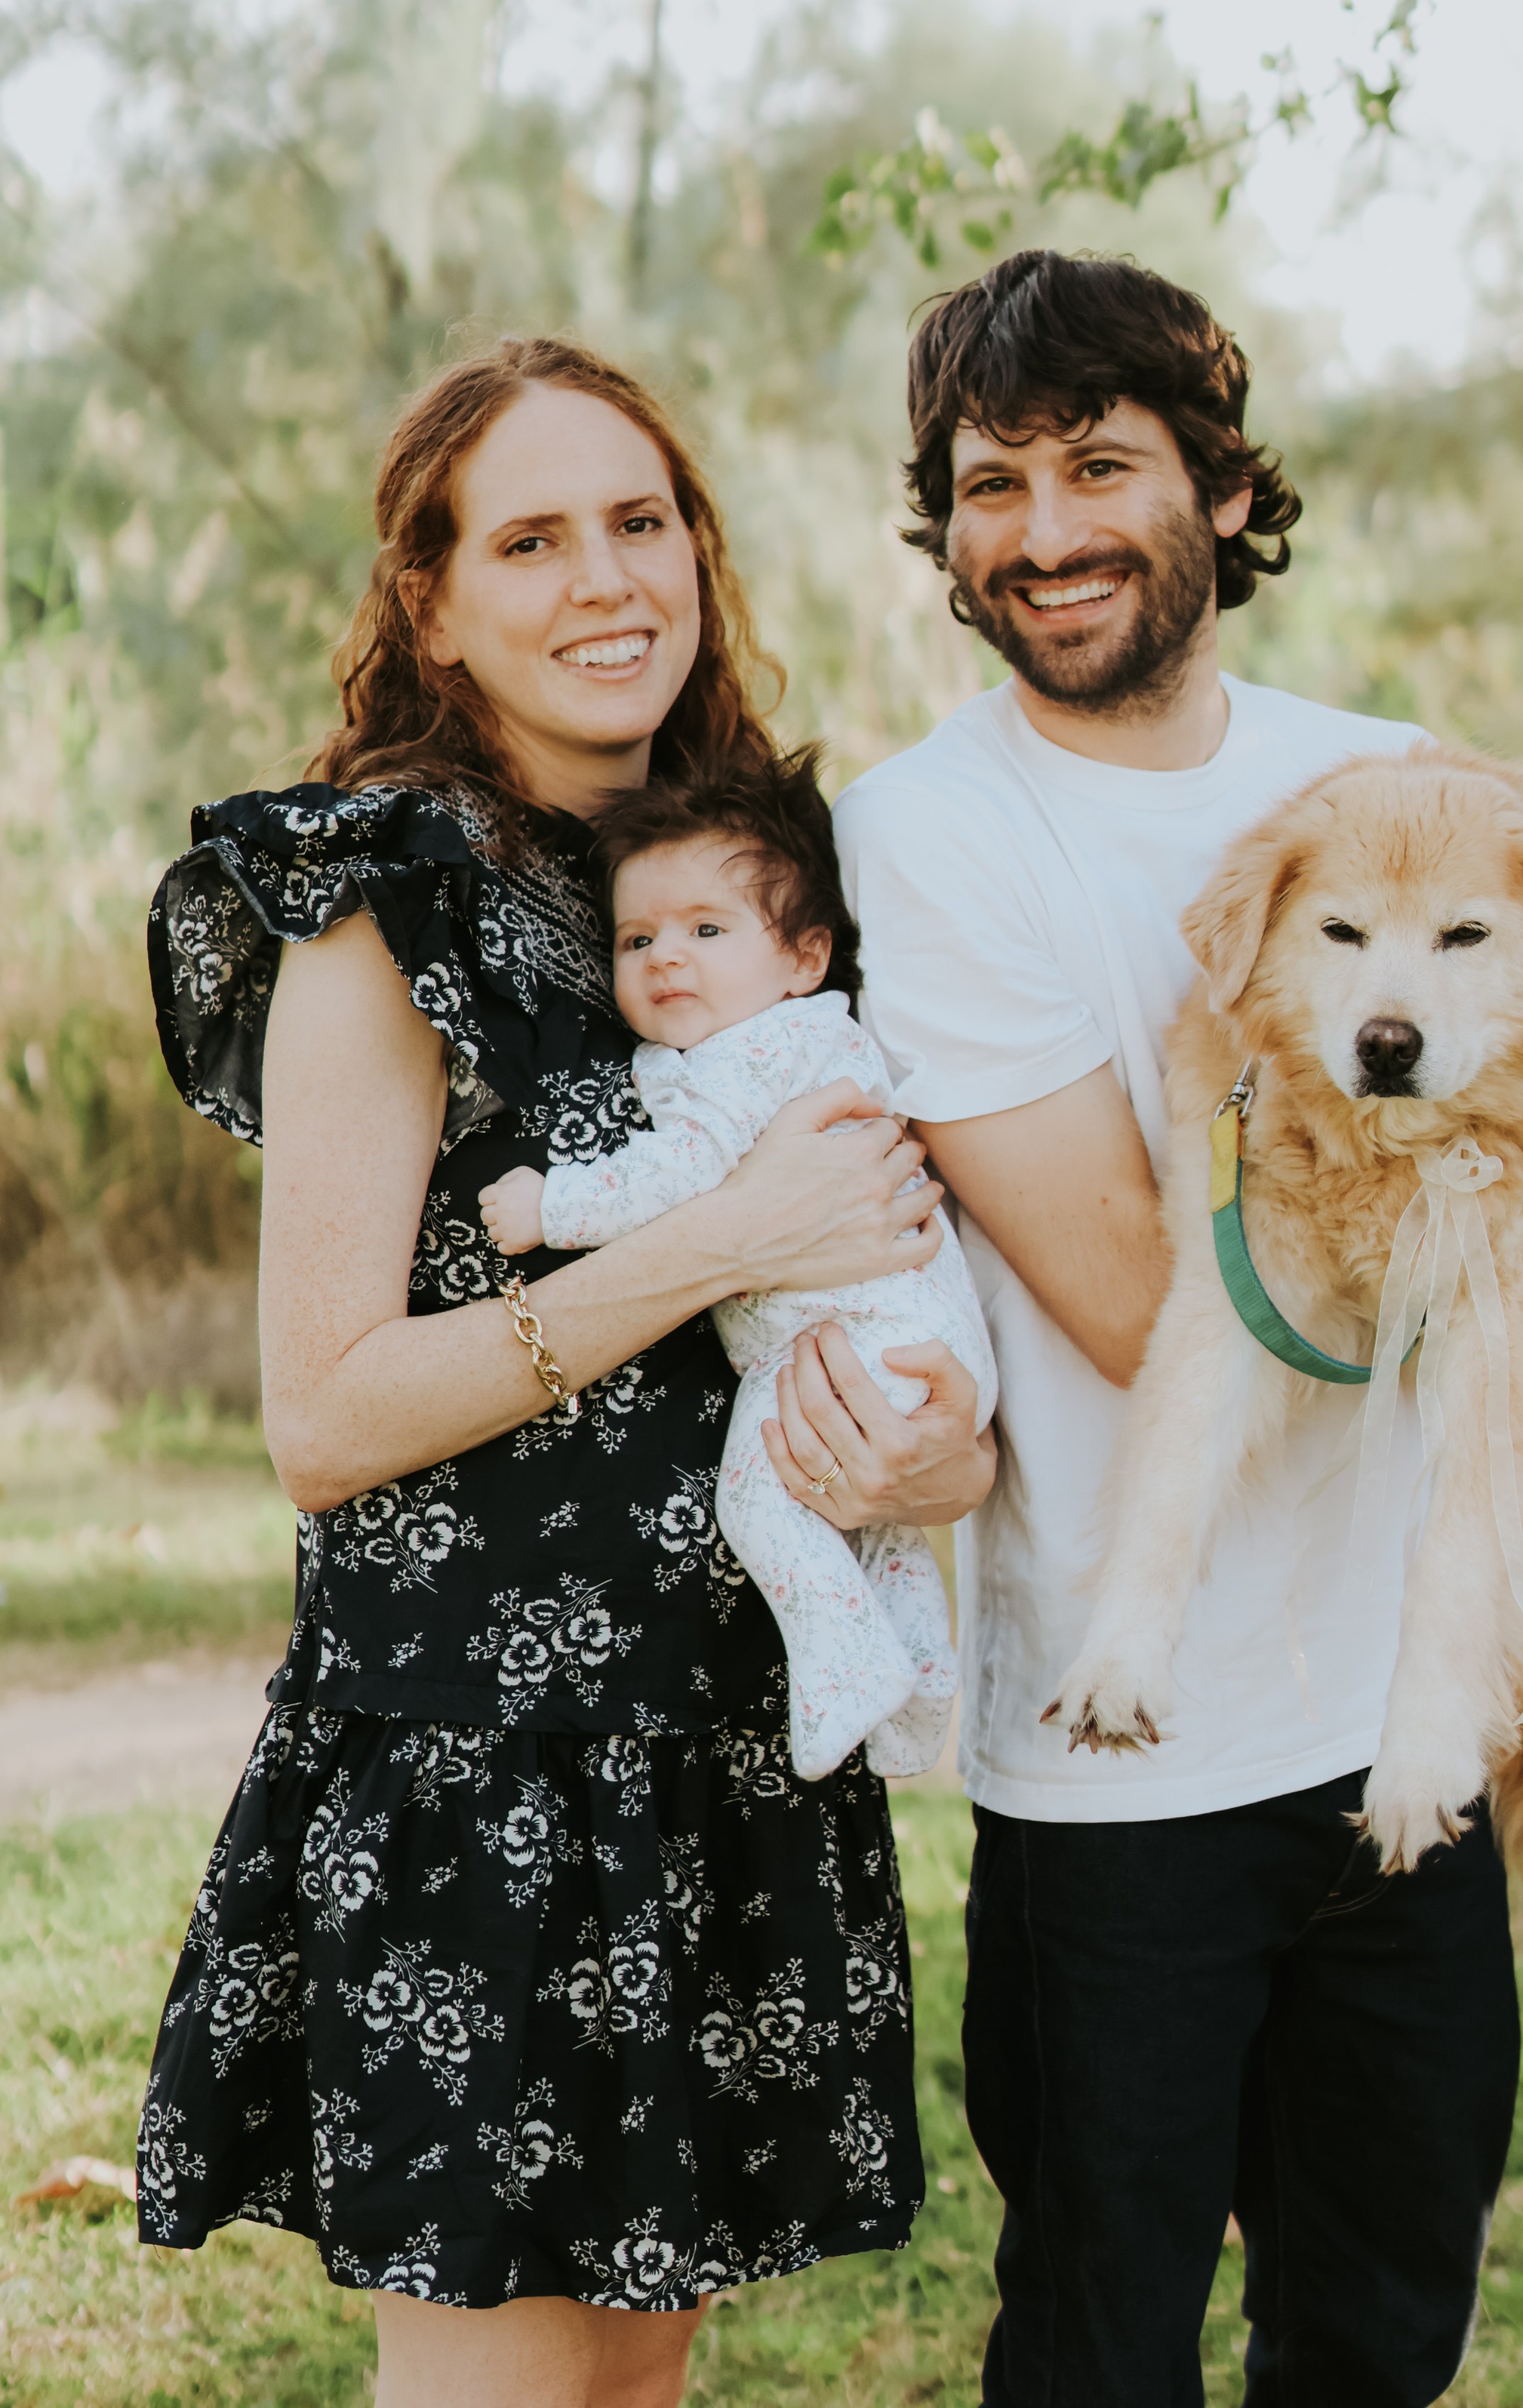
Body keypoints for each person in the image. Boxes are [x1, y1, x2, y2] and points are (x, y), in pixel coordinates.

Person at [135, 335, 994, 2408]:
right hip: (488, 1780)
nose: (607, 578)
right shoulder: (383, 903)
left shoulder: (744, 893)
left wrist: (929, 1454)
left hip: (705, 1750)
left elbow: (880, 1278)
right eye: (530, 538)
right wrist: (718, 1239)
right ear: (431, 602)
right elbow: (324, 1420)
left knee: (631, 2391)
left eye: (642, 520)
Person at [826, 251, 1521, 2407]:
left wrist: (1522, 1265)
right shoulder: (934, 834)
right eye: (993, 482)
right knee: (1104, 2348)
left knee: (1383, 2330)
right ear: (943, 524)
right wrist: (1475, 1254)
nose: (1044, 533)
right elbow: (1145, 1303)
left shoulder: (1388, 781)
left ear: (1219, 486)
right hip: (1129, 1782)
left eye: (1101, 464)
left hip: (1411, 1728)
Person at [477, 750, 995, 1781]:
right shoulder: (801, 1036)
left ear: (804, 957)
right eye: (638, 938)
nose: (668, 957)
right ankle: (920, 1671)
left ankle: (842, 1666)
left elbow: (683, 1173)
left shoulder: (753, 1056)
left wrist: (554, 1205)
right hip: (906, 1343)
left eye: (707, 931)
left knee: (763, 1503)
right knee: (869, 1524)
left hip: (856, 1343)